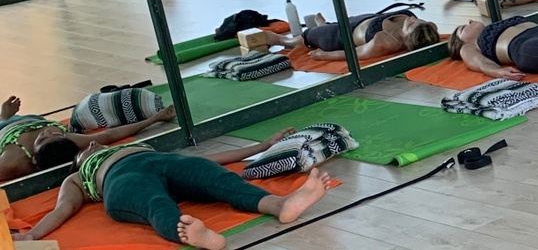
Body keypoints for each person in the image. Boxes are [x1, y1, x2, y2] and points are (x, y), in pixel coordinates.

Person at [11, 132, 331, 250]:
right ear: (79, 158)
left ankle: (279, 205)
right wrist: (32, 235)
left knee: (215, 178)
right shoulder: (79, 177)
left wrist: (260, 147)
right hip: (122, 179)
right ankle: (196, 235)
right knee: (154, 203)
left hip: (162, 162)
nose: (93, 143)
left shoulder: (129, 147)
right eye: (86, 147)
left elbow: (209, 160)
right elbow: (63, 208)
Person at [0, 96, 178, 183]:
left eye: (47, 136)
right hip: (18, 122)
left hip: (6, 126)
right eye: (51, 135)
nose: (46, 132)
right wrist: (155, 118)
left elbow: (110, 135)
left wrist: (5, 118)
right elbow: (109, 135)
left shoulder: (13, 161)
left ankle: (4, 116)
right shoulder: (67, 140)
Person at [256, 4, 440, 62]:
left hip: (340, 36)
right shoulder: (424, 27)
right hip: (366, 19)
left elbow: (356, 54)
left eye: (411, 24)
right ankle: (325, 24)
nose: (412, 18)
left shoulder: (386, 41)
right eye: (417, 19)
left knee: (301, 39)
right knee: (335, 23)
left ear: (407, 38)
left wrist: (324, 56)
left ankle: (282, 40)